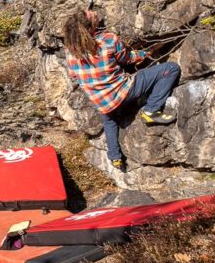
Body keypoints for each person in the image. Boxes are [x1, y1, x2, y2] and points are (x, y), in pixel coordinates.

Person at [63, 9, 180, 171]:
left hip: (102, 101)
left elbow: (73, 74)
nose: (93, 11)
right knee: (171, 69)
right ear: (90, 27)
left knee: (110, 120)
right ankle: (152, 110)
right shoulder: (107, 40)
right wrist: (147, 52)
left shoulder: (71, 50)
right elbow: (129, 58)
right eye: (91, 14)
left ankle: (115, 157)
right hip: (124, 91)